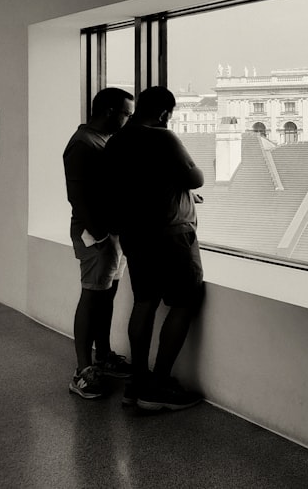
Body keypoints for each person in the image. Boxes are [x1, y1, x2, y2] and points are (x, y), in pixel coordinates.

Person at [104, 86, 205, 412]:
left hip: (136, 234)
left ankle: (137, 381)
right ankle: (158, 384)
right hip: (171, 234)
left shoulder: (117, 140)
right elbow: (195, 178)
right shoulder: (163, 138)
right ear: (165, 113)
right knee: (186, 300)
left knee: (144, 303)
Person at [63, 87, 135, 399]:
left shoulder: (105, 141)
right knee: (92, 298)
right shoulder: (82, 144)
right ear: (108, 111)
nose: (128, 119)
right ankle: (82, 370)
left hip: (113, 234)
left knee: (106, 297)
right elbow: (77, 198)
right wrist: (102, 237)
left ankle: (103, 356)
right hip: (96, 236)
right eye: (126, 113)